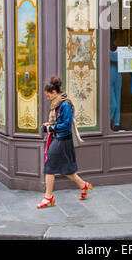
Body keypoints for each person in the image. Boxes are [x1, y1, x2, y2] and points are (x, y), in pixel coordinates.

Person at [36, 76, 93, 209]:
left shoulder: (65, 104)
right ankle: (83, 185)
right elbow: (59, 122)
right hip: (59, 138)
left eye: (48, 95)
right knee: (67, 169)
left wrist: (51, 128)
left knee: (49, 166)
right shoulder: (57, 104)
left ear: (54, 93)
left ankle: (48, 197)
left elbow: (66, 125)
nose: (47, 98)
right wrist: (50, 124)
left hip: (63, 139)